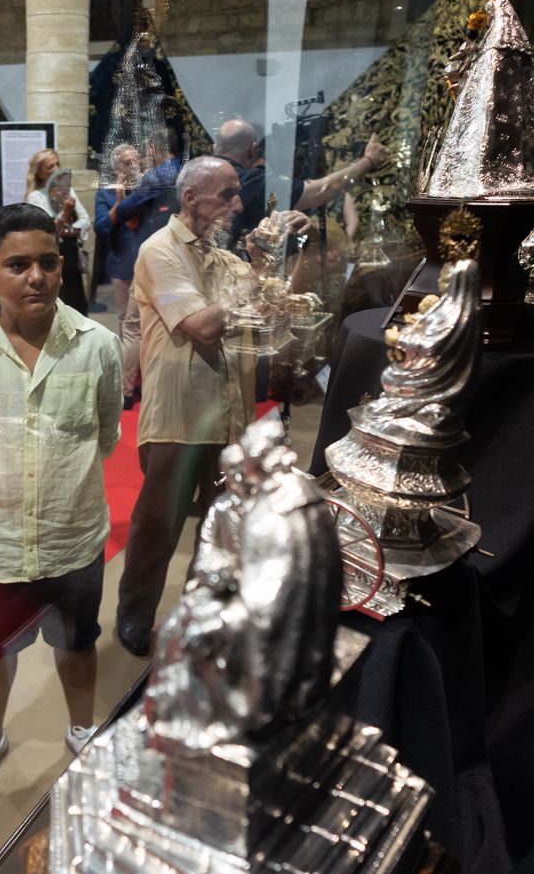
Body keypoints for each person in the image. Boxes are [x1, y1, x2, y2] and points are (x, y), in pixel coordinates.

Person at [0, 202, 121, 805]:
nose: (34, 277)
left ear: (62, 268)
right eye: (17, 265)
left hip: (73, 530)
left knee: (78, 640)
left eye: (47, 263)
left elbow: (105, 431)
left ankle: (83, 726)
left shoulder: (97, 346)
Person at [114, 156, 263, 657]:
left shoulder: (221, 258)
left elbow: (266, 298)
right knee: (159, 525)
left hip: (229, 412)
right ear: (191, 198)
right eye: (228, 194)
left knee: (220, 523)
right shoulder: (161, 251)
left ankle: (203, 610)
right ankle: (134, 614)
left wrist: (275, 255)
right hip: (179, 412)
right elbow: (201, 326)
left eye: (236, 193)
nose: (237, 204)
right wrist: (254, 279)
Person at [214, 117, 385, 246]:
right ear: (253, 149)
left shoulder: (198, 173)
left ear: (214, 148)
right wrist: (369, 161)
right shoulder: (254, 182)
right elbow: (321, 190)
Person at [94, 142, 147, 404]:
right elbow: (102, 226)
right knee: (127, 322)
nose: (133, 167)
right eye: (127, 163)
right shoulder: (105, 193)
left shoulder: (147, 190)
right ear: (116, 166)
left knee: (146, 324)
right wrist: (119, 204)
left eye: (135, 161)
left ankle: (142, 377)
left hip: (148, 264)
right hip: (122, 264)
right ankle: (129, 382)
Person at [24, 149, 91, 315]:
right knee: (58, 300)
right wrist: (65, 214)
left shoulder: (68, 191)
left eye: (57, 164)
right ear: (40, 173)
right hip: (51, 256)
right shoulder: (36, 197)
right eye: (50, 166)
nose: (56, 169)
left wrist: (67, 229)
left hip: (70, 252)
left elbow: (85, 219)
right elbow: (45, 230)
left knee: (76, 302)